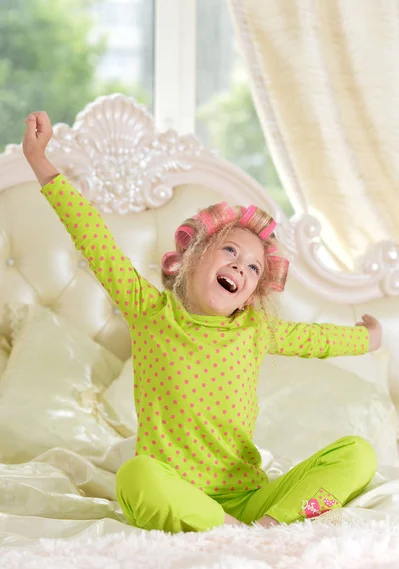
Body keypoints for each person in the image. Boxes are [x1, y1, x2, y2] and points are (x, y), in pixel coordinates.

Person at [23, 111, 381, 533]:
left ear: (251, 294)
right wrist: (39, 160)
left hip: (250, 501)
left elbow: (318, 338)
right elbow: (94, 238)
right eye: (231, 252)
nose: (241, 269)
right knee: (135, 475)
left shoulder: (255, 332)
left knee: (359, 454)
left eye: (252, 269)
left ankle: (264, 529)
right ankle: (226, 532)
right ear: (194, 256)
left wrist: (368, 338)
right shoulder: (150, 312)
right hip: (176, 494)